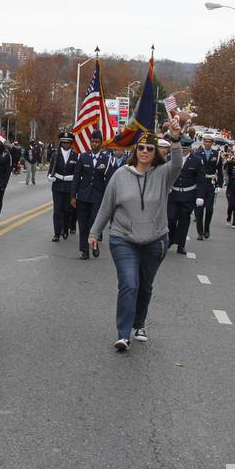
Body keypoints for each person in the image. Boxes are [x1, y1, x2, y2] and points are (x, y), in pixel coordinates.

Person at [88, 118, 184, 352]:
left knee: (145, 286)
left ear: (155, 153)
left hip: (154, 240)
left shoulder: (163, 175)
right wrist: (94, 232)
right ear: (135, 150)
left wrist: (175, 138)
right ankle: (123, 334)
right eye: (140, 148)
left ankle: (139, 323)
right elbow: (106, 206)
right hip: (123, 238)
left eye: (149, 149)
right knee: (129, 284)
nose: (144, 152)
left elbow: (177, 165)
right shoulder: (120, 175)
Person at [71, 130, 111, 260]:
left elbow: (108, 181)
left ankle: (94, 244)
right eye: (92, 141)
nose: (94, 144)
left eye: (96, 142)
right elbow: (76, 178)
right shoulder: (83, 157)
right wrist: (73, 196)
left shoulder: (106, 159)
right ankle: (84, 251)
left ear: (101, 143)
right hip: (83, 196)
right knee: (82, 224)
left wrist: (107, 199)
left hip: (98, 197)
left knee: (94, 223)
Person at [167, 134, 203, 254]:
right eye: (180, 149)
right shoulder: (170, 158)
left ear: (189, 148)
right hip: (173, 193)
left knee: (184, 220)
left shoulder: (197, 160)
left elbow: (201, 179)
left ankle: (180, 245)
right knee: (171, 218)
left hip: (188, 195)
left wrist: (200, 196)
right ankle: (169, 240)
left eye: (185, 149)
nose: (182, 152)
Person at [47, 131, 78, 241]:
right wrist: (50, 176)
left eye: (68, 143)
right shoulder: (56, 154)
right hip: (58, 185)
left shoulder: (75, 155)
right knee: (57, 210)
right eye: (64, 142)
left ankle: (65, 228)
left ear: (71, 143)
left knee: (67, 210)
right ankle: (56, 233)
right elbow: (51, 168)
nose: (66, 145)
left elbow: (77, 172)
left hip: (69, 185)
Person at [193, 133, 223, 240]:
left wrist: (220, 184)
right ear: (203, 142)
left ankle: (206, 228)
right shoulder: (197, 153)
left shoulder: (217, 154)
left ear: (212, 143)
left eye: (210, 142)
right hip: (200, 183)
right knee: (199, 209)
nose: (207, 143)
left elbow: (219, 170)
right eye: (206, 141)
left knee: (209, 209)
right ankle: (200, 232)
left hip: (211, 183)